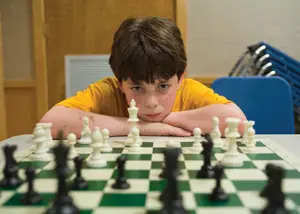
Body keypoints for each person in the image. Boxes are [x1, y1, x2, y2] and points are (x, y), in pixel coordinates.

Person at [40, 16, 246, 138]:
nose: (151, 104)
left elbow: (239, 122)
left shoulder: (189, 90)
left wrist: (169, 119)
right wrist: (139, 126)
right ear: (120, 82)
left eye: (163, 86)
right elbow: (48, 123)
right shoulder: (106, 92)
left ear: (180, 77)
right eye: (137, 88)